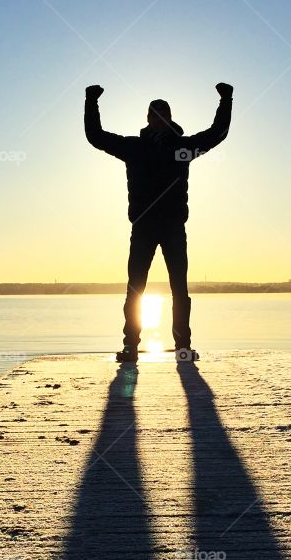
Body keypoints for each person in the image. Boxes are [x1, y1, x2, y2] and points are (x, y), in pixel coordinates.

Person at [84, 82, 233, 362]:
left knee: (180, 288)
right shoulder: (134, 148)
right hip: (142, 227)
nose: (160, 121)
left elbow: (216, 134)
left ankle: (183, 347)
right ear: (148, 119)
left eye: (165, 116)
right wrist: (91, 100)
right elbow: (95, 136)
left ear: (170, 119)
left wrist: (226, 99)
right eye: (155, 116)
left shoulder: (182, 149)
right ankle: (130, 346)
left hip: (174, 227)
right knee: (135, 287)